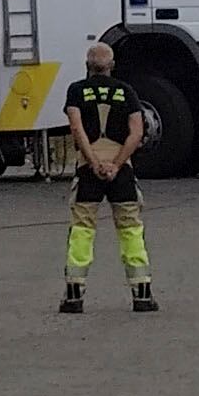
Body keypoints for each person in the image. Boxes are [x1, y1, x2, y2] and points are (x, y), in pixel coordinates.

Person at [59, 40, 158, 314]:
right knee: (130, 229)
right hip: (122, 170)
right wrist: (116, 164)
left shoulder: (76, 91)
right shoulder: (126, 91)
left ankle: (74, 295)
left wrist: (94, 163)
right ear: (112, 66)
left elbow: (77, 129)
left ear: (87, 66)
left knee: (82, 230)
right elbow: (137, 132)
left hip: (87, 168)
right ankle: (142, 293)